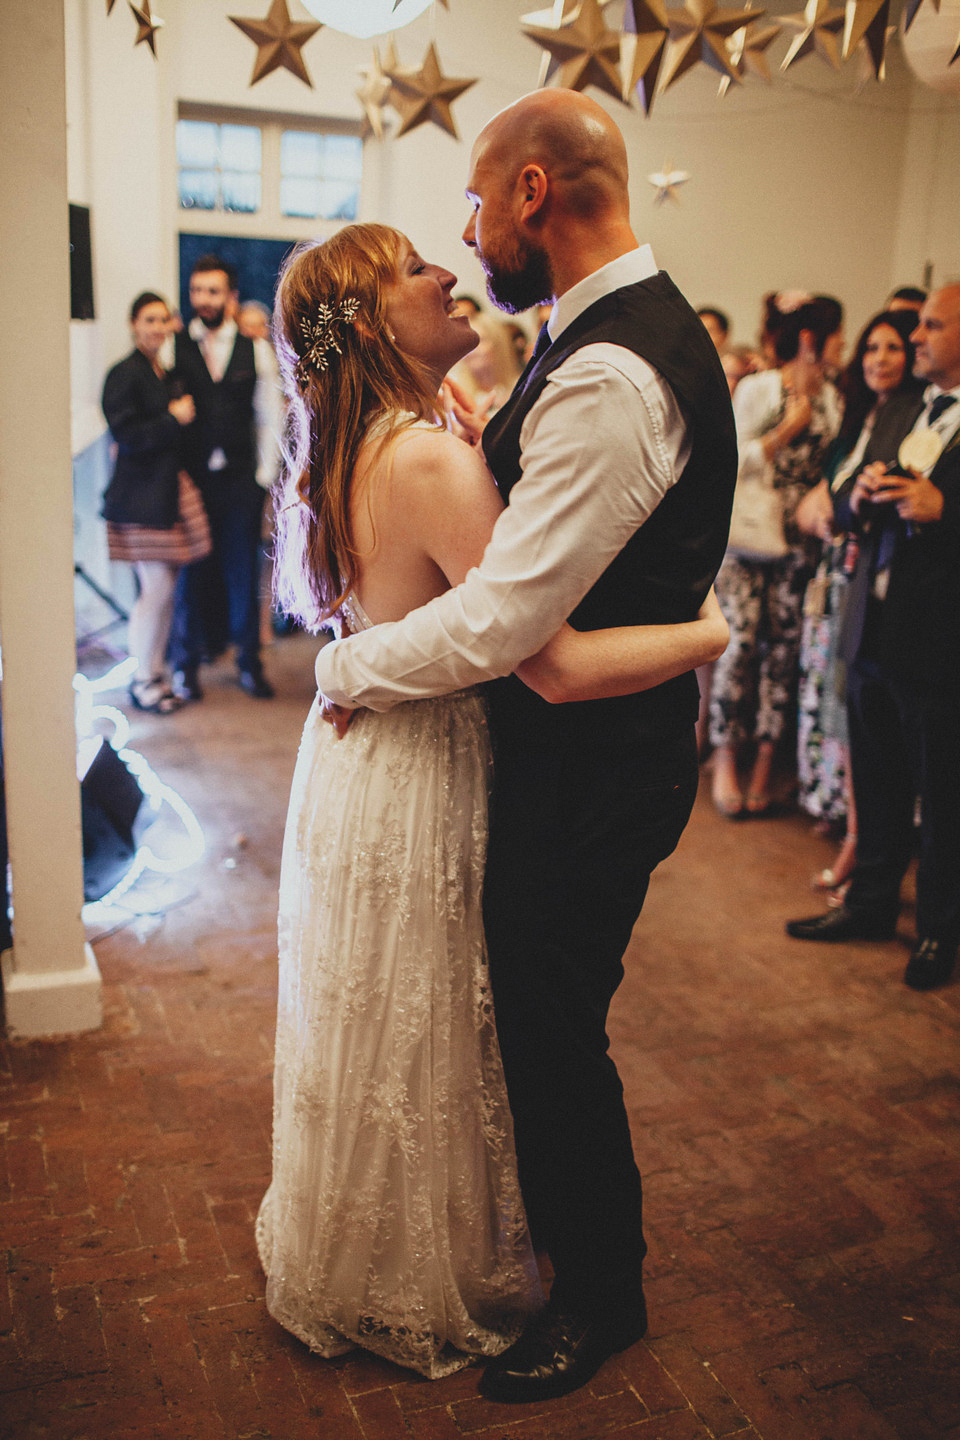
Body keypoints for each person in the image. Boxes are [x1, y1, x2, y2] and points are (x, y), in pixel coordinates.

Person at [312, 89, 738, 1402]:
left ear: (535, 193)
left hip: (600, 762)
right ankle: (565, 1251)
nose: (471, 225)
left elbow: (511, 625)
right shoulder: (583, 337)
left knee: (551, 1021)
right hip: (574, 742)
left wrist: (346, 669)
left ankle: (603, 1296)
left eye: (479, 199)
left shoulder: (616, 370)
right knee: (538, 1013)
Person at [787, 284, 960, 992]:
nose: (917, 338)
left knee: (943, 796)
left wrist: (944, 510)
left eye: (932, 326)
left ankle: (938, 934)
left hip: (941, 640)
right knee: (879, 779)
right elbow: (848, 489)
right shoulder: (902, 408)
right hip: (874, 625)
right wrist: (857, 498)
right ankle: (869, 905)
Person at [795, 310, 923, 895]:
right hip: (844, 581)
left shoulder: (914, 414)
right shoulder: (863, 415)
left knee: (870, 731)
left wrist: (844, 504)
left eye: (894, 347)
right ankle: (861, 850)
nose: (880, 358)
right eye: (871, 347)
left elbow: (852, 501)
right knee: (845, 718)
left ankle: (861, 852)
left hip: (885, 588)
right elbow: (835, 498)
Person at [709, 292, 844, 818]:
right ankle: (725, 758)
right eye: (837, 335)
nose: (843, 345)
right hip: (746, 535)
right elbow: (727, 458)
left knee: (784, 646)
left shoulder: (835, 397)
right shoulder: (761, 388)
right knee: (738, 642)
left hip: (801, 538)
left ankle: (765, 760)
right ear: (810, 340)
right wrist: (782, 433)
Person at [168, 254, 282, 700]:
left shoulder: (254, 349)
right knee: (190, 576)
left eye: (213, 291)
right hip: (192, 481)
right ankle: (186, 666)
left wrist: (263, 475)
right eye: (197, 290)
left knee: (242, 574)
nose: (204, 299)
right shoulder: (174, 346)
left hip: (239, 480)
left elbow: (268, 417)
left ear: (231, 297)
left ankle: (249, 663)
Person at [101, 291, 210, 713]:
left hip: (161, 493)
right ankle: (144, 678)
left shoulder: (161, 371)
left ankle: (155, 673)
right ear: (133, 324)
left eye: (163, 320)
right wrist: (172, 418)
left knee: (164, 591)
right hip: (141, 496)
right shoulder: (123, 373)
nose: (157, 328)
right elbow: (125, 436)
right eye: (149, 320)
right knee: (157, 590)